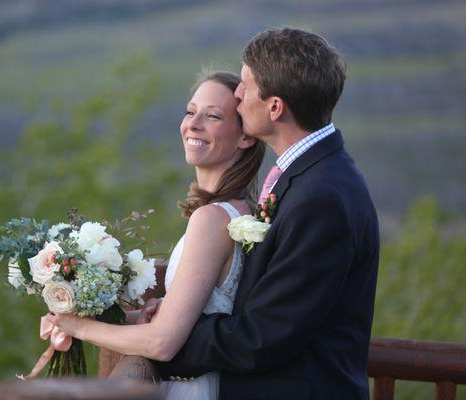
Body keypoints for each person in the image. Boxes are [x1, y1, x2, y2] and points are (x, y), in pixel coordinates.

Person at [147, 28, 380, 400]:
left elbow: (264, 336)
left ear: (275, 107)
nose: (236, 95)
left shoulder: (322, 196)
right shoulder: (308, 175)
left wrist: (167, 339)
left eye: (245, 85)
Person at [46, 71, 265, 399]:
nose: (193, 123)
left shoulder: (212, 219)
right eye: (191, 111)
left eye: (214, 116)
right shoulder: (240, 211)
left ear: (245, 136)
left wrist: (77, 328)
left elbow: (162, 343)